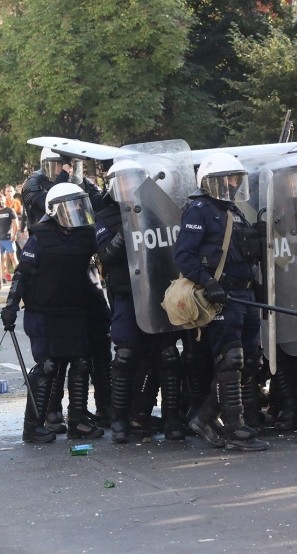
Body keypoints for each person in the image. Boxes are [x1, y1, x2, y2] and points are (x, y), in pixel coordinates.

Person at [173, 152, 268, 451]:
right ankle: (234, 429)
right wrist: (209, 282)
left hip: (246, 293)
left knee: (249, 360)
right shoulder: (199, 210)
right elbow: (184, 256)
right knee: (231, 359)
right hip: (220, 296)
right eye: (228, 178)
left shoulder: (236, 211)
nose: (234, 183)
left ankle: (205, 418)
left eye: (237, 178)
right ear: (211, 182)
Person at [0, 183, 104, 442]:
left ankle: (78, 420)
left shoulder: (85, 236)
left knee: (80, 363)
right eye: (69, 207)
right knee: (48, 367)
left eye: (78, 206)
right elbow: (21, 274)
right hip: (45, 313)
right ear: (53, 211)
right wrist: (11, 305)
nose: (75, 212)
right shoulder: (40, 237)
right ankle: (33, 426)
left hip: (74, 311)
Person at [95, 160, 185, 443]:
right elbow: (107, 255)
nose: (127, 187)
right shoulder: (105, 214)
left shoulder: (156, 207)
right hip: (126, 295)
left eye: (132, 181)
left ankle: (172, 420)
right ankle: (120, 421)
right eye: (120, 182)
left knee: (168, 356)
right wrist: (127, 228)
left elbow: (173, 243)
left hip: (159, 292)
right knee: (125, 356)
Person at [0, 191, 18, 281]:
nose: (0, 201)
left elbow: (15, 224)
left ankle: (19, 275)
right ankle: (5, 276)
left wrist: (14, 234)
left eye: (2, 199)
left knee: (13, 257)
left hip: (9, 239)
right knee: (2, 259)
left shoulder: (10, 210)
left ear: (5, 200)